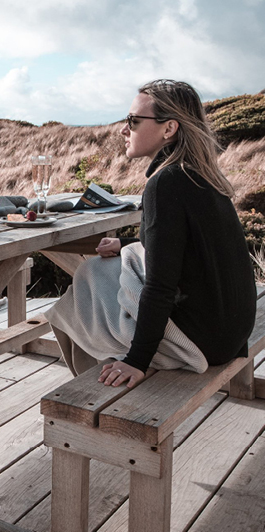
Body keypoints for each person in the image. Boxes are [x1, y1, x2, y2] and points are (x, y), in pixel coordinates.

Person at [45, 79, 257, 389]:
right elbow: (187, 246)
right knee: (107, 270)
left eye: (132, 120)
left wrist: (137, 360)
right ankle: (97, 373)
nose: (123, 129)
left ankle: (93, 392)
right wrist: (126, 243)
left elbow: (161, 286)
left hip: (201, 341)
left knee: (86, 283)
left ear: (168, 129)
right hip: (230, 330)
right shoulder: (200, 172)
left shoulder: (166, 182)